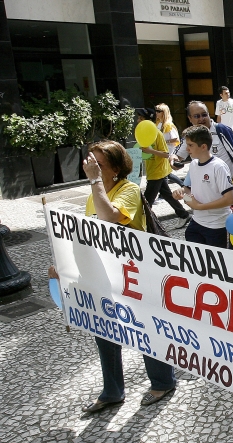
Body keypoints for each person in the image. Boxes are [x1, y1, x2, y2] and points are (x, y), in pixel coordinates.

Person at [48, 141, 176, 412]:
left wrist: (95, 181)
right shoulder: (94, 194)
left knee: (145, 327)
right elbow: (89, 237)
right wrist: (64, 265)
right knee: (103, 330)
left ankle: (162, 381)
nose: (90, 166)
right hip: (104, 275)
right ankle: (112, 390)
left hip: (134, 275)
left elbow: (108, 218)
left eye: (98, 163)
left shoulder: (128, 189)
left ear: (116, 168)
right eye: (89, 162)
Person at [172, 126, 233, 248]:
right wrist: (180, 192)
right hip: (197, 222)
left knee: (215, 264)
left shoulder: (218, 167)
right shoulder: (194, 164)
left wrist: (200, 206)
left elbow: (229, 199)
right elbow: (189, 190)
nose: (187, 148)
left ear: (203, 147)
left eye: (190, 145)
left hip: (216, 225)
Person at [172, 101, 233, 200]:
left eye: (204, 115)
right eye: (197, 116)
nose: (201, 119)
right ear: (190, 118)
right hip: (204, 190)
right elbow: (177, 156)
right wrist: (173, 160)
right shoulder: (193, 162)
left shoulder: (222, 130)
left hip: (226, 187)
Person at [136, 108, 192, 227]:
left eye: (140, 118)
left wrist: (151, 151)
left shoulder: (157, 134)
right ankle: (183, 215)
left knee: (146, 202)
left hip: (158, 172)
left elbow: (167, 154)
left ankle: (144, 224)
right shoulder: (143, 133)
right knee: (167, 195)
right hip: (153, 171)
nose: (138, 120)